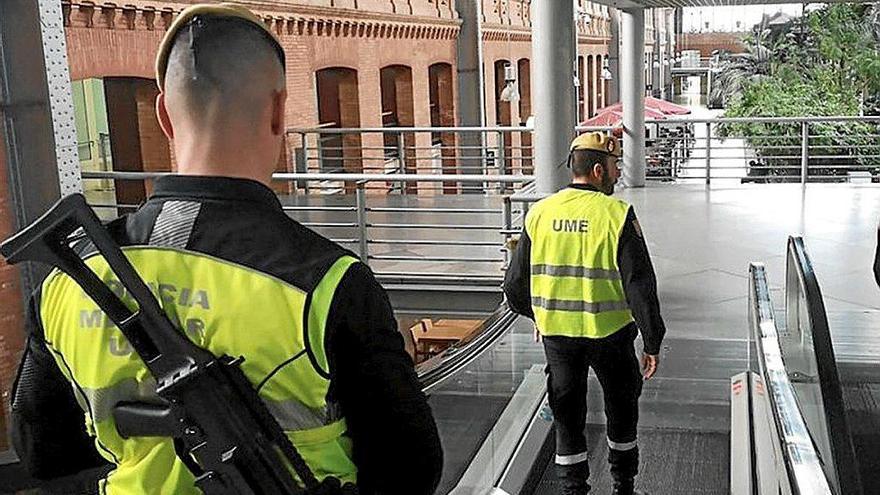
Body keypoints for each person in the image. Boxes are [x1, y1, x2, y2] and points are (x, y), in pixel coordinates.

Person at [9, 4, 442, 494]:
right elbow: (411, 469)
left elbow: (43, 452)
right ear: (279, 111)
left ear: (164, 116)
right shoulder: (327, 283)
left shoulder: (70, 276)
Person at [503, 132, 666, 495]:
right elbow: (639, 284)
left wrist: (538, 316)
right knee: (621, 410)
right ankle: (624, 486)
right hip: (610, 336)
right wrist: (652, 340)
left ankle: (574, 491)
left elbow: (514, 286)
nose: (617, 174)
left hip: (558, 338)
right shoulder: (616, 215)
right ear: (597, 170)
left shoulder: (539, 213)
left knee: (567, 416)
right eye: (613, 167)